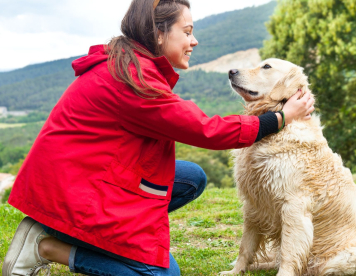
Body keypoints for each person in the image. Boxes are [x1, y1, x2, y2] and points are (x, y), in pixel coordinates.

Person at [2, 0, 315, 275]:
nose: (194, 40)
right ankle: (46, 246)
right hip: (72, 194)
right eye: (187, 31)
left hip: (81, 178)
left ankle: (89, 235)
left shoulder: (129, 65)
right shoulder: (135, 82)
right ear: (160, 33)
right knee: (161, 275)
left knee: (192, 177)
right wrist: (280, 118)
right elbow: (205, 129)